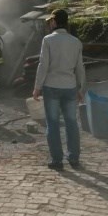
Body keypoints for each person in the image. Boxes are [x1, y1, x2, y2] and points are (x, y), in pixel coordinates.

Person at [32, 9, 86, 170]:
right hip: (70, 87)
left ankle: (57, 160)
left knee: (53, 124)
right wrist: (81, 88)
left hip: (52, 87)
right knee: (72, 123)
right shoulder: (76, 42)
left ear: (54, 22)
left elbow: (43, 65)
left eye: (50, 22)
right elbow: (80, 68)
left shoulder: (48, 40)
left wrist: (37, 87)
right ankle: (74, 158)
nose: (49, 25)